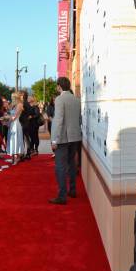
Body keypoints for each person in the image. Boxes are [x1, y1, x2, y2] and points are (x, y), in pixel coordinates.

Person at [49, 77, 81, 205]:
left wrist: (54, 140)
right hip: (75, 137)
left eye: (57, 86)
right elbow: (79, 118)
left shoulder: (59, 99)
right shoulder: (76, 100)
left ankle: (62, 196)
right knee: (71, 164)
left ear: (59, 86)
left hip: (62, 138)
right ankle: (72, 190)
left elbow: (58, 120)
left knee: (60, 167)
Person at [6, 92, 24, 165]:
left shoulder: (19, 105)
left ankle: (16, 158)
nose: (11, 98)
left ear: (16, 97)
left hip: (16, 124)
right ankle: (12, 158)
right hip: (11, 124)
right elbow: (9, 114)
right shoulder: (13, 105)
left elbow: (14, 117)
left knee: (16, 140)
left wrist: (6, 118)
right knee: (11, 140)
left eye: (12, 97)